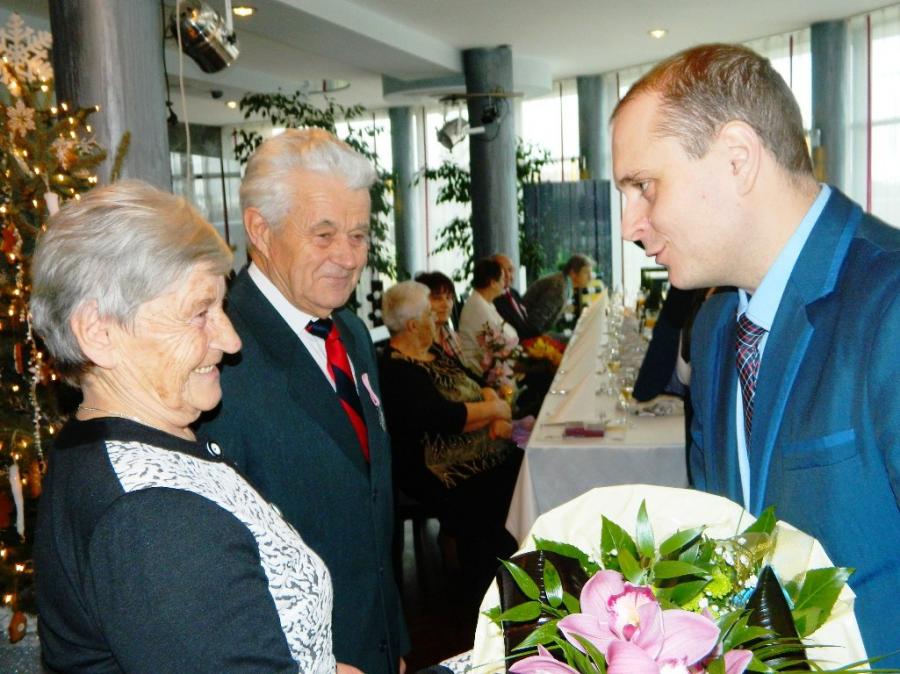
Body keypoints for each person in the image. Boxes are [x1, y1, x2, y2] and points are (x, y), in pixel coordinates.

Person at [611, 43, 900, 664]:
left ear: (737, 159)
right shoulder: (716, 328)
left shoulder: (890, 304)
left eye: (644, 186)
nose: (630, 225)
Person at [30, 180, 352, 673]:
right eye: (200, 313)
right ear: (99, 332)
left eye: (221, 307)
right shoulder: (152, 518)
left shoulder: (124, 444)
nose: (230, 340)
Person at [198, 129, 408, 674]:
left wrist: (391, 640)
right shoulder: (218, 352)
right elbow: (221, 560)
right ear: (260, 230)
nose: (348, 256)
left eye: (358, 235)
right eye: (324, 234)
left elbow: (371, 501)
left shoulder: (352, 333)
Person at [378, 281, 521, 599]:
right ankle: (489, 592)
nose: (437, 319)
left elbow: (478, 381)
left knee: (520, 465)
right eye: (430, 314)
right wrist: (495, 410)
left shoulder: (433, 352)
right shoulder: (397, 369)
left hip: (476, 449)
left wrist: (495, 412)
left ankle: (514, 577)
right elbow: (444, 418)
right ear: (413, 325)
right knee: (503, 485)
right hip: (435, 468)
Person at [457, 257, 519, 376]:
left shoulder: (485, 302)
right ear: (493, 283)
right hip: (481, 373)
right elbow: (501, 344)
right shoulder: (478, 307)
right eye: (502, 279)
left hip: (495, 365)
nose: (504, 284)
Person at [522, 254, 594, 333]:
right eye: (586, 272)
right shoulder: (559, 288)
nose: (590, 277)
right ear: (573, 273)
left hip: (528, 329)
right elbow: (535, 322)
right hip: (524, 332)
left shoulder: (564, 283)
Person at [491, 253, 539, 338]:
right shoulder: (492, 299)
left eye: (510, 270)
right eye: (502, 271)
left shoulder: (514, 293)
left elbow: (524, 322)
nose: (507, 275)